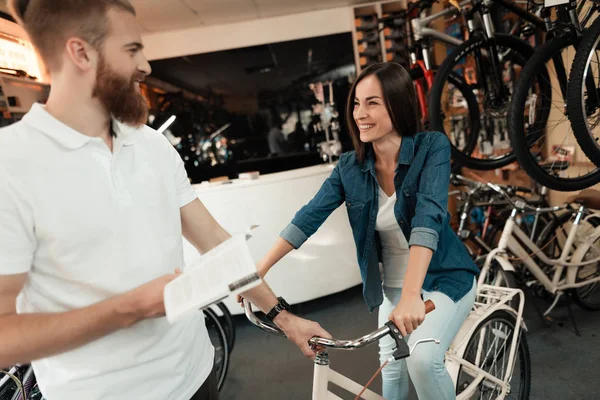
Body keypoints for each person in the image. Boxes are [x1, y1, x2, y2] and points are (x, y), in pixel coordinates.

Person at [0, 1, 329, 400]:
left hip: (195, 373)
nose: (147, 66)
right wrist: (130, 308)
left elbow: (216, 242)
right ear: (81, 52)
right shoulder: (12, 164)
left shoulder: (151, 144)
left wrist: (284, 319)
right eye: (132, 49)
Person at [244, 62, 480, 400]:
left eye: (372, 103)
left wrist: (413, 294)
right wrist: (259, 269)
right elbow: (309, 217)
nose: (360, 113)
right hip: (394, 290)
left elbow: (428, 218)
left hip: (444, 278)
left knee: (424, 362)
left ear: (397, 105)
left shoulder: (432, 148)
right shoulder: (349, 167)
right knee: (391, 367)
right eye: (356, 103)